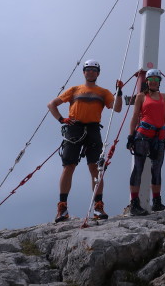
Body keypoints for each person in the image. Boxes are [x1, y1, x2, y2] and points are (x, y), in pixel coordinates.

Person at [47, 59, 123, 222]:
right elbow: (52, 104)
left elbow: (117, 108)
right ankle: (62, 207)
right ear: (84, 72)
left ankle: (98, 206)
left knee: (96, 168)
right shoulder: (74, 90)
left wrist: (119, 92)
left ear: (98, 73)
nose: (90, 72)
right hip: (75, 128)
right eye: (88, 69)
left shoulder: (103, 92)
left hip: (93, 130)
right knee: (69, 166)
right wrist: (61, 119)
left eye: (93, 70)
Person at [126, 69, 165, 216]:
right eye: (151, 79)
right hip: (143, 135)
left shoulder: (164, 97)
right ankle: (134, 204)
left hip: (159, 136)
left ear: (159, 82)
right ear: (147, 81)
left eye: (156, 80)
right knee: (138, 168)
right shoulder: (141, 96)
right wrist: (130, 136)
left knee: (157, 169)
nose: (153, 82)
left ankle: (157, 202)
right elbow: (134, 117)